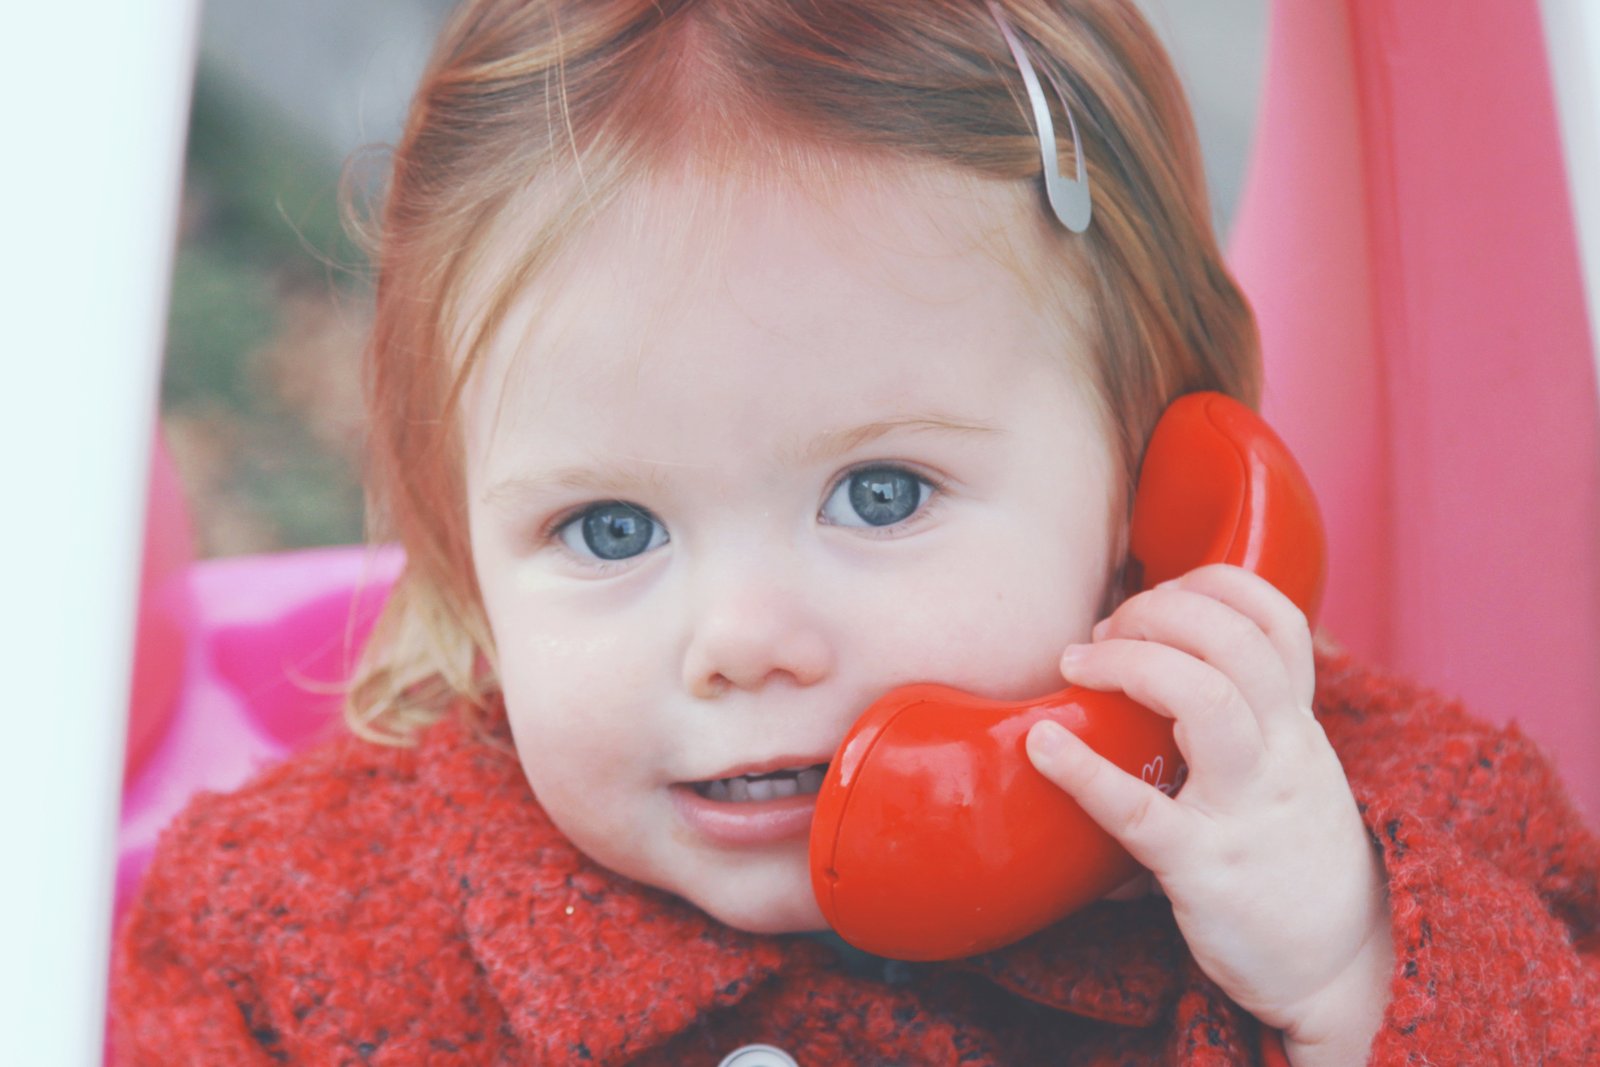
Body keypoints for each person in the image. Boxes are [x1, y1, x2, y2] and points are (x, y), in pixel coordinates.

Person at [111, 1, 1600, 1063]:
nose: (745, 641)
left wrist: (1352, 975)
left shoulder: (1371, 841)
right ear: (465, 555)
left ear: (1157, 491)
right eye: (611, 526)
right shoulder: (308, 939)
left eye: (880, 495)